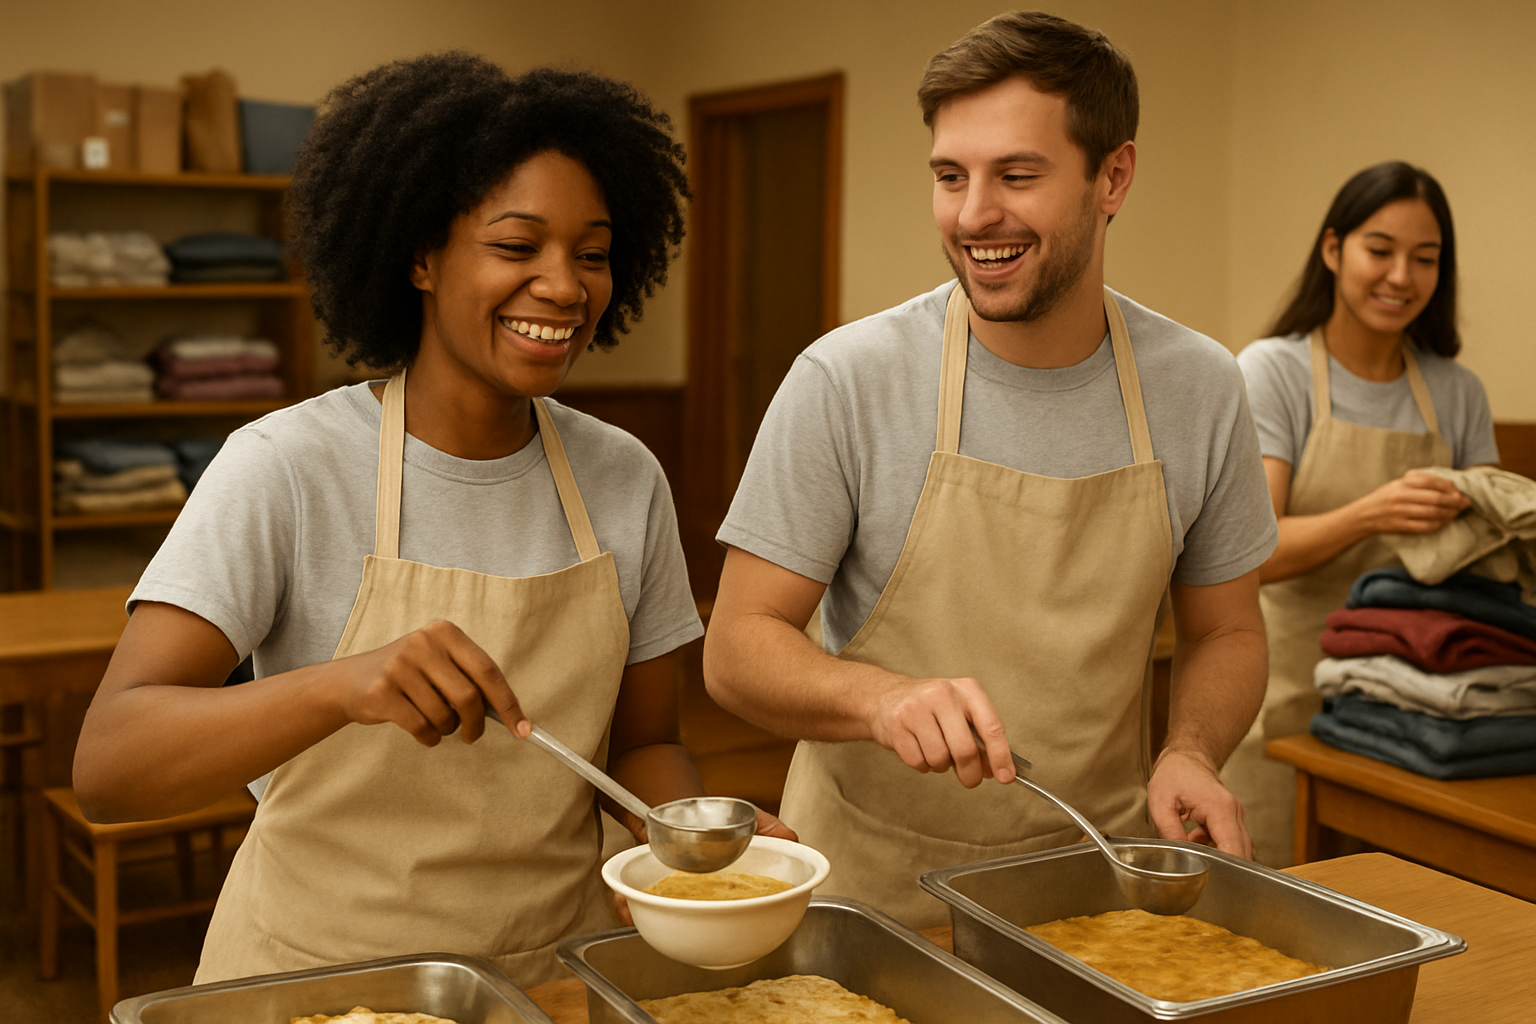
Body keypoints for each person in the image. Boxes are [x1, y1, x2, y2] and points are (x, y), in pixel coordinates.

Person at [73, 53, 789, 987]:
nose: (565, 286)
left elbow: (646, 742)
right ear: (419, 256)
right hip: (321, 977)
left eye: (592, 252)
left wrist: (682, 849)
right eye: (516, 245)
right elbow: (110, 766)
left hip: (554, 976)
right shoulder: (286, 467)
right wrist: (340, 688)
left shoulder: (624, 477)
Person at [702, 11, 1278, 927]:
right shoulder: (847, 379)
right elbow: (736, 649)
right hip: (870, 895)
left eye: (1017, 175)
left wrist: (1192, 752)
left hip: (1095, 888)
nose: (974, 216)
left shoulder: (1199, 388)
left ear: (1112, 177)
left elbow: (1227, 633)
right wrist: (878, 698)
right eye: (949, 176)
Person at [1224, 161, 1499, 866]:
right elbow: (1251, 554)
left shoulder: (1456, 392)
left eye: (1425, 258)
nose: (1401, 276)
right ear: (1332, 249)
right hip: (1286, 695)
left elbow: (1493, 560)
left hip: (1414, 713)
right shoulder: (1272, 372)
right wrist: (1372, 513)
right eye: (1381, 250)